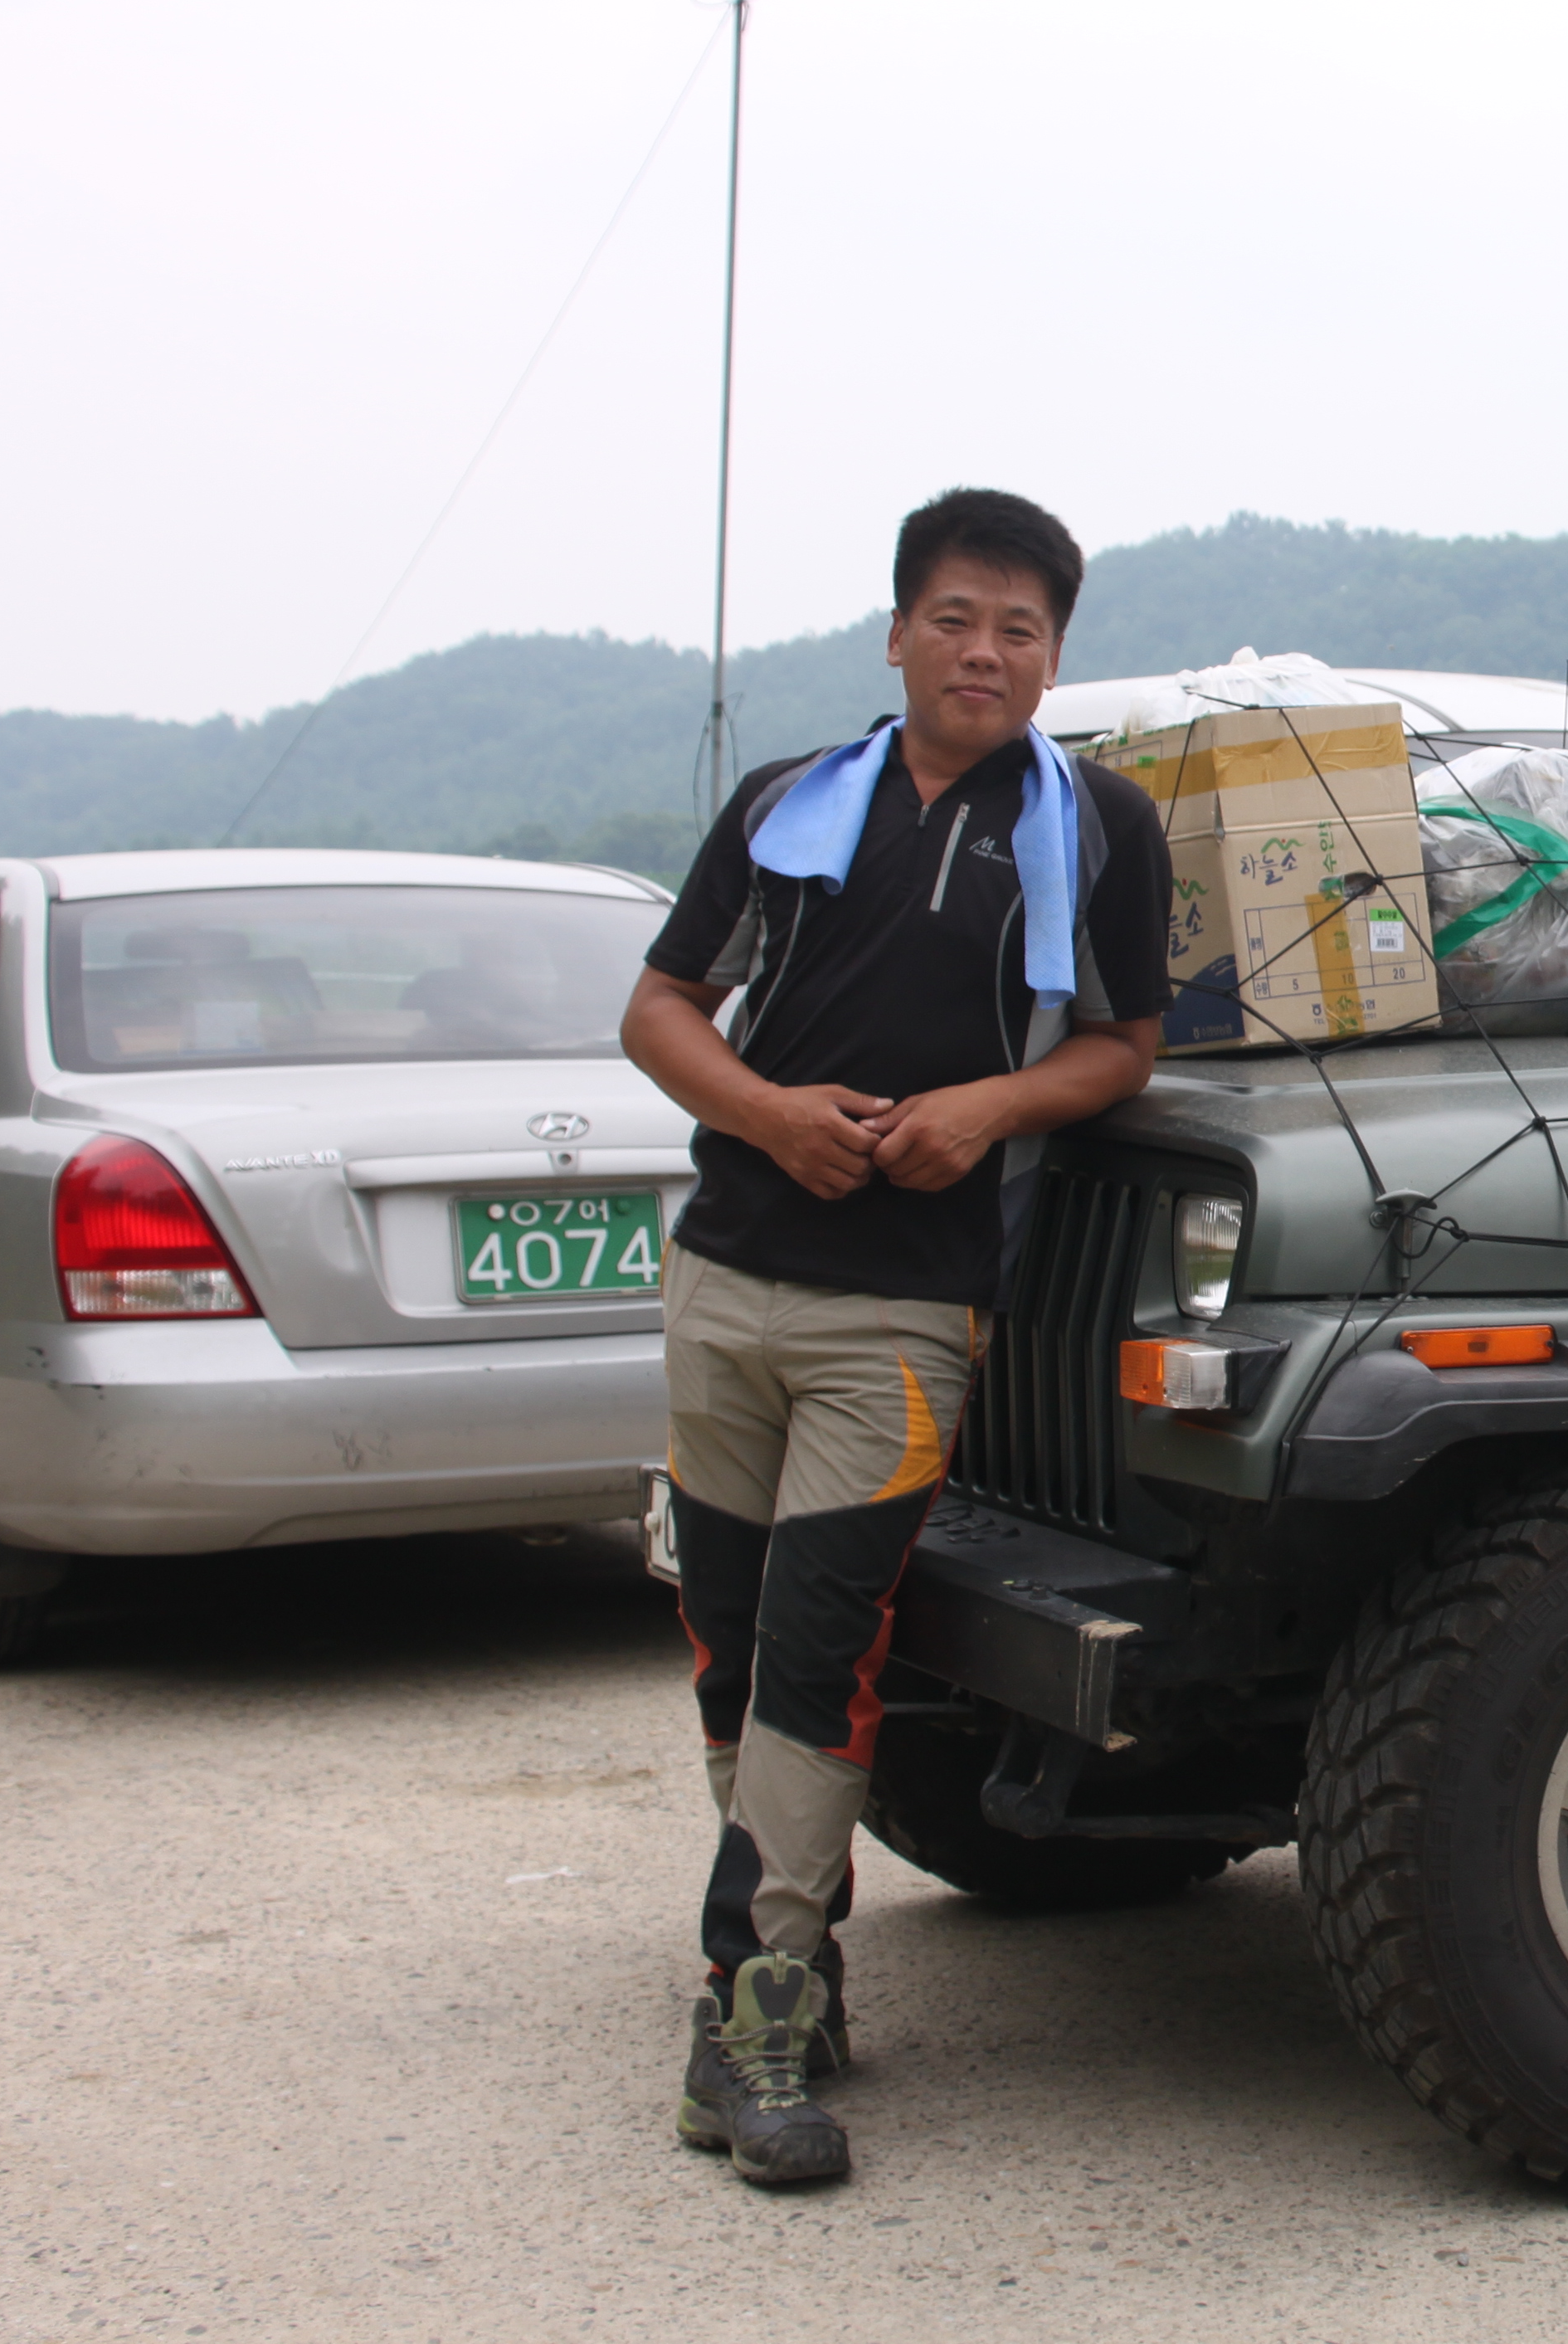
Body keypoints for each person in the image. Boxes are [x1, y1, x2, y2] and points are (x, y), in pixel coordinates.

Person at [619, 487, 1174, 2186]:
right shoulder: (789, 805)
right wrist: (769, 1115)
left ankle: (755, 2005)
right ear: (897, 633)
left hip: (910, 1309)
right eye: (955, 618)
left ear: (1053, 657)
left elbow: (1126, 1044)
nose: (983, 652)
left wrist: (989, 1107)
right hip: (727, 1275)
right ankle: (788, 1947)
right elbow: (659, 1007)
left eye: (1020, 630)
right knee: (729, 1641)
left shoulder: (1098, 825)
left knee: (819, 1640)